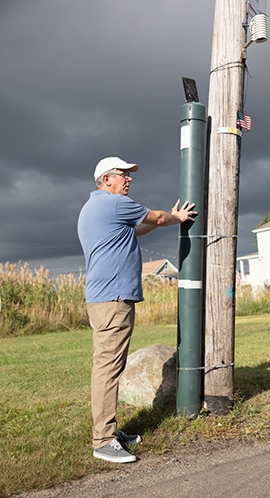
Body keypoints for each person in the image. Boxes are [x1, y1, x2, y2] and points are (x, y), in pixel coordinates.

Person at [77, 157, 196, 464]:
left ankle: (111, 432)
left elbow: (138, 228)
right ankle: (103, 441)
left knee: (110, 366)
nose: (129, 179)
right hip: (113, 299)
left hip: (105, 298)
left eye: (130, 175)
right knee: (107, 368)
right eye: (123, 175)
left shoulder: (95, 207)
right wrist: (177, 216)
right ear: (107, 179)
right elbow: (155, 217)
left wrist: (160, 221)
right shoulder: (114, 204)